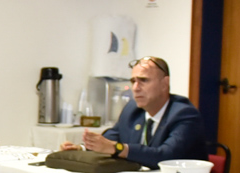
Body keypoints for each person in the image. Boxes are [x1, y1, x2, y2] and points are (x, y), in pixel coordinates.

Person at [58, 56, 205, 167]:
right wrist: (83, 147)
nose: (135, 88)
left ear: (164, 84)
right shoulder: (132, 109)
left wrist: (117, 148)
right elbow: (111, 138)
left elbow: (165, 156)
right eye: (133, 81)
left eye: (144, 80)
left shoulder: (184, 114)